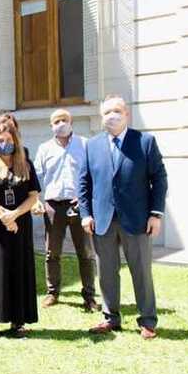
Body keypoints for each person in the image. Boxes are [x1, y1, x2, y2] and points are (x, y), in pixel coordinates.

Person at [78, 96, 168, 340]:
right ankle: (110, 318)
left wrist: (155, 214)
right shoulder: (92, 145)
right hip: (102, 220)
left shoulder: (145, 142)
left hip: (137, 219)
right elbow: (83, 182)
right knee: (106, 271)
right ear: (101, 117)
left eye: (117, 111)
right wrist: (85, 214)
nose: (112, 116)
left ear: (126, 114)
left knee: (141, 271)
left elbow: (159, 178)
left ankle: (147, 321)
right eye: (107, 112)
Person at [0, 121, 40, 338]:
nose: (5, 144)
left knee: (18, 268)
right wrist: (4, 214)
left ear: (16, 141)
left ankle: (18, 321)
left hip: (20, 225)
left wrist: (15, 215)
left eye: (9, 140)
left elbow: (33, 196)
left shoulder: (25, 164)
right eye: (0, 140)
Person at [32, 109, 99, 311]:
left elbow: (95, 173)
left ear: (71, 122)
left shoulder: (85, 144)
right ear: (51, 126)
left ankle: (89, 296)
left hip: (79, 205)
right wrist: (36, 200)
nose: (60, 123)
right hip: (53, 206)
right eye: (56, 121)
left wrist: (86, 197)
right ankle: (52, 293)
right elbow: (35, 177)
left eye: (64, 120)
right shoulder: (44, 148)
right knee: (52, 252)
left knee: (86, 252)